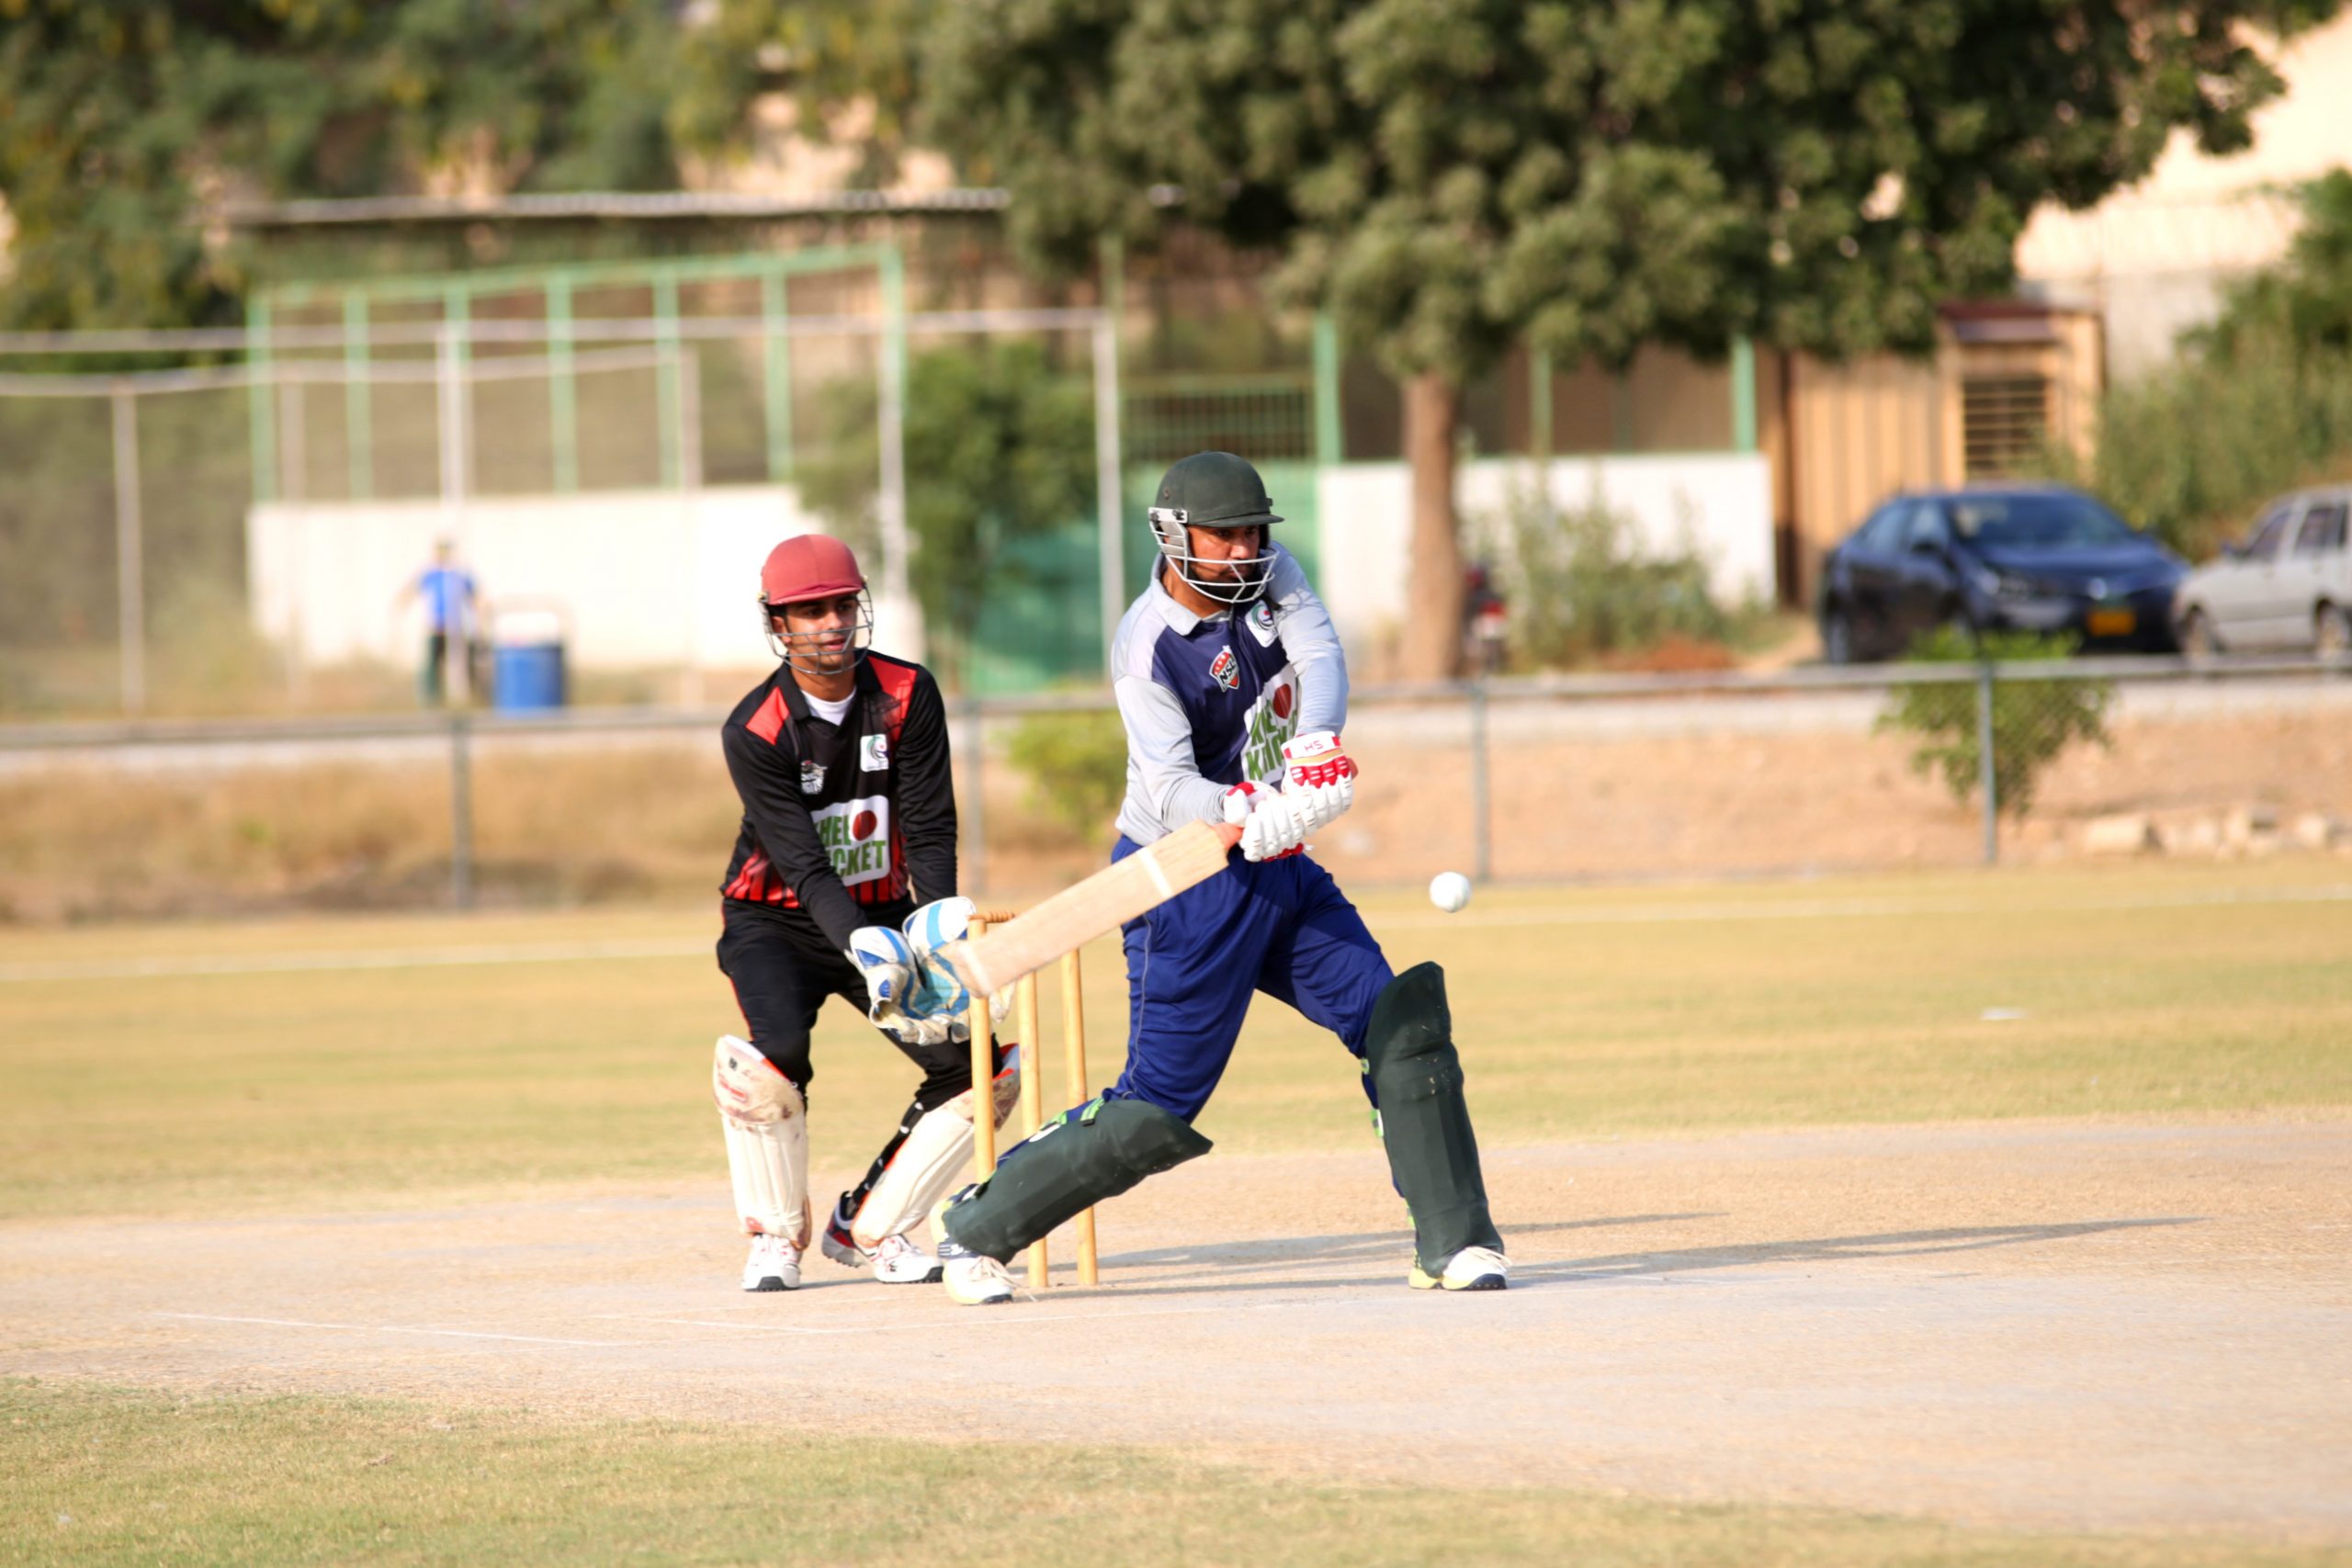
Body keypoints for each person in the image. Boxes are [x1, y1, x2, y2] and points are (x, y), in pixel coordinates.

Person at [928, 451, 1509, 1304]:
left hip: (1280, 865)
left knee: (1399, 1024)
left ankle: (1456, 1242)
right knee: (1157, 1106)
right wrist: (1243, 806)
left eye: (1253, 533)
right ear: (1174, 537)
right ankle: (976, 1230)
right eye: (1224, 535)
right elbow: (1168, 787)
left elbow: (1321, 654)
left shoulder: (1272, 573)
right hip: (1188, 881)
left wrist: (1316, 744)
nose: (1243, 550)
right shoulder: (1146, 647)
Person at [711, 533, 1015, 1298]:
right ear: (778, 623)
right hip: (775, 918)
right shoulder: (755, 728)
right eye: (809, 610)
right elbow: (802, 861)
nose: (831, 623)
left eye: (842, 605)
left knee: (981, 1072)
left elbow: (930, 824)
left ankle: (872, 1225)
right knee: (772, 1063)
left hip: (886, 912)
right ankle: (775, 1234)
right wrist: (860, 941)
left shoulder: (909, 692)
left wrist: (935, 927)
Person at [397, 539, 480, 705]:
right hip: (435, 625)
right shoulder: (431, 573)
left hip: (455, 626)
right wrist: (401, 604)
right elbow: (412, 588)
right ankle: (431, 698)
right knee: (432, 664)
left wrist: (480, 616)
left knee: (459, 663)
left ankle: (461, 697)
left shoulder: (459, 574)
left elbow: (475, 595)